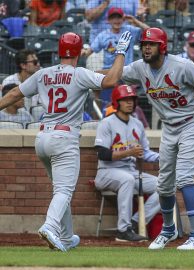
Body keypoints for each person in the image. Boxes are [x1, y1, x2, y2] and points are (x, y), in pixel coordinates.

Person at [0, 31, 132, 251]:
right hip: (64, 137)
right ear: (79, 52)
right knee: (64, 191)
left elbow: (14, 93)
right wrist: (120, 52)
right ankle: (50, 226)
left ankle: (67, 237)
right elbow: (112, 80)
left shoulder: (43, 73)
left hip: (42, 137)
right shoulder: (79, 73)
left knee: (60, 190)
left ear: (59, 51)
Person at [110, 27, 194, 250]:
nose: (146, 48)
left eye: (151, 44)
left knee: (185, 178)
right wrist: (119, 54)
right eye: (144, 44)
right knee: (164, 185)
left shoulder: (181, 65)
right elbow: (112, 77)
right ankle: (168, 230)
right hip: (170, 127)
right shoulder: (140, 68)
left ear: (162, 47)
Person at [94, 84, 160, 241]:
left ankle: (135, 222)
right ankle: (123, 230)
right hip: (107, 172)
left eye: (132, 99)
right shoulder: (107, 123)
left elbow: (144, 152)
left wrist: (162, 158)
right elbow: (102, 153)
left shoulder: (137, 124)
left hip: (130, 172)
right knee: (127, 180)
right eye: (125, 100)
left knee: (164, 185)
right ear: (117, 102)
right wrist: (128, 152)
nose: (130, 102)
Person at [82, 6, 149, 111]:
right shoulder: (103, 35)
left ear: (123, 19)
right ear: (108, 20)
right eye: (113, 17)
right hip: (109, 73)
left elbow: (149, 32)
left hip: (126, 73)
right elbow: (89, 51)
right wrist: (83, 52)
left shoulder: (129, 30)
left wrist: (135, 21)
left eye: (119, 17)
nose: (116, 20)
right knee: (106, 105)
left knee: (125, 106)